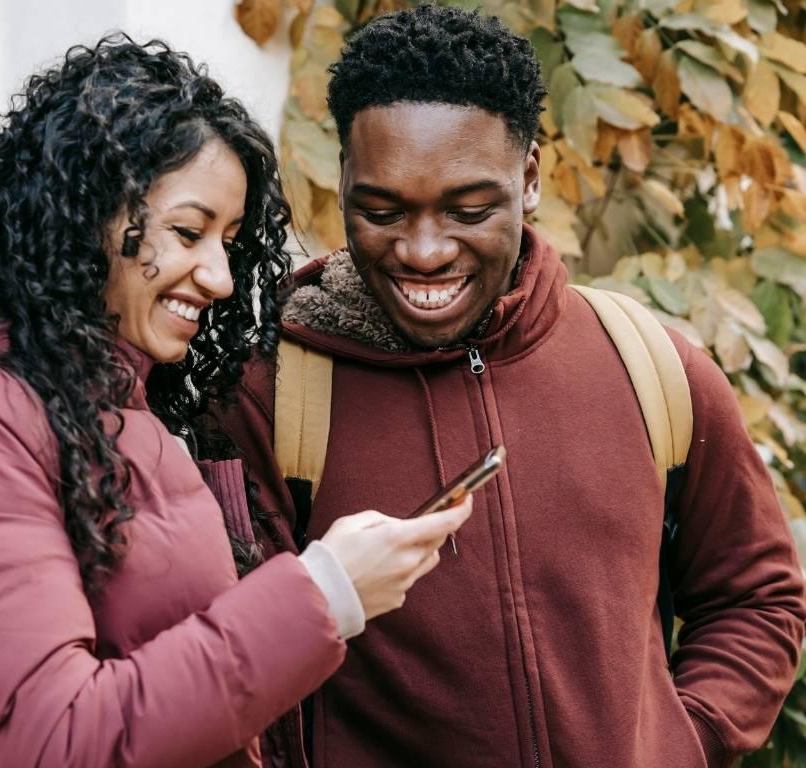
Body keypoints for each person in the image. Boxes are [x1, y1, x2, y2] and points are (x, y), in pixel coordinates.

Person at [0, 34, 471, 768]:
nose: (220, 277)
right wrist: (322, 595)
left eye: (229, 241)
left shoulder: (118, 407)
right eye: (186, 232)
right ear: (81, 217)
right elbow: (45, 741)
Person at [211, 6, 806, 767]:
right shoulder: (271, 393)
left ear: (527, 181)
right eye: (383, 210)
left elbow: (755, 595)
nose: (424, 252)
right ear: (344, 183)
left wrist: (683, 743)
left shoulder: (651, 365)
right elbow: (230, 677)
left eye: (468, 210)